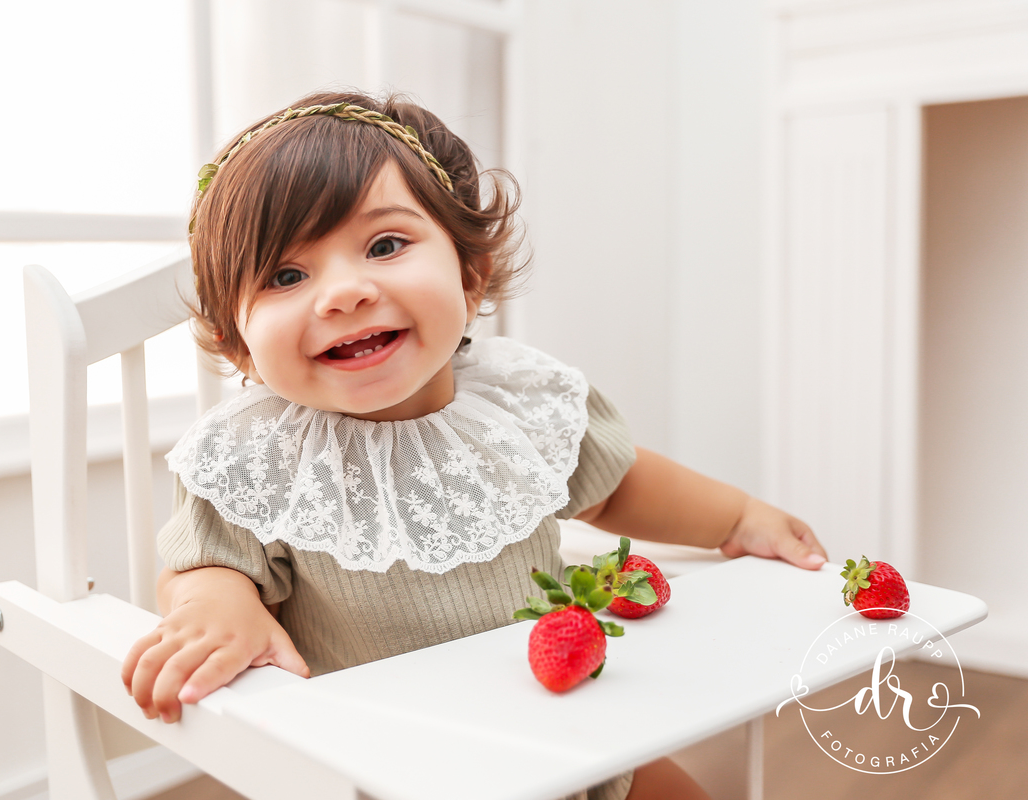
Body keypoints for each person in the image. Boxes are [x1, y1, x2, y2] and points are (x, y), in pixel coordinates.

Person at [121, 90, 827, 800]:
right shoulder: (253, 454)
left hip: (562, 728)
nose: (344, 293)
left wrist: (736, 518)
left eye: (385, 245)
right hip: (387, 766)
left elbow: (619, 483)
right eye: (286, 276)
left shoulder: (518, 402)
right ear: (238, 344)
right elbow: (205, 563)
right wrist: (217, 608)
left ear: (470, 272)